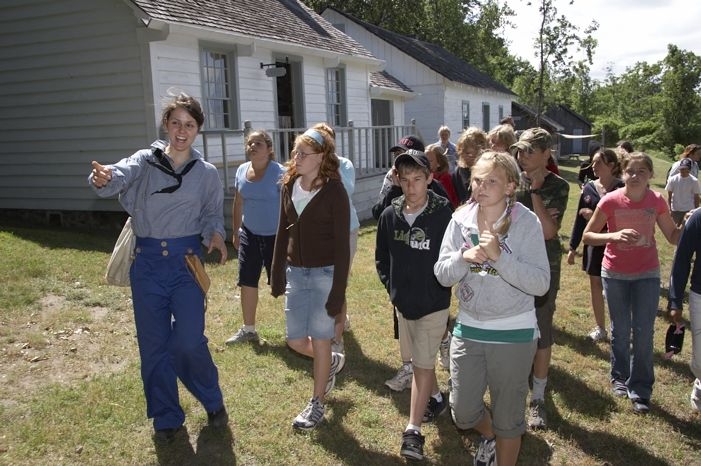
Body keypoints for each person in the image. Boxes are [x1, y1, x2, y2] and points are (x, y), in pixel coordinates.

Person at [88, 92, 229, 443]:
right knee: (153, 347)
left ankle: (211, 397)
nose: (182, 130)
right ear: (166, 124)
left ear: (198, 130)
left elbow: (212, 214)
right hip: (147, 265)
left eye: (190, 125)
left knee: (188, 341)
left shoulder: (207, 173)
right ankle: (166, 417)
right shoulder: (145, 160)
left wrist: (216, 235)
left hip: (186, 264)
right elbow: (118, 176)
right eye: (176, 122)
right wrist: (103, 177)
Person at [435, 151, 550, 466]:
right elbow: (442, 274)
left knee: (508, 419)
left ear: (511, 186)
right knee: (463, 412)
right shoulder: (460, 219)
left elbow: (541, 283)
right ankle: (489, 438)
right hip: (469, 327)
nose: (480, 187)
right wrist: (463, 258)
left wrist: (501, 257)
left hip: (514, 331)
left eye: (491, 181)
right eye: (476, 180)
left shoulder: (525, 222)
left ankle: (501, 450)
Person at [583, 152, 681, 414]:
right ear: (622, 173)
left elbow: (672, 236)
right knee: (620, 329)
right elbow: (588, 236)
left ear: (651, 175)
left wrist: (691, 222)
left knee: (643, 331)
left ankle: (640, 389)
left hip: (647, 274)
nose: (635, 176)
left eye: (641, 171)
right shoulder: (611, 200)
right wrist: (614, 236)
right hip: (614, 274)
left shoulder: (656, 200)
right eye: (630, 171)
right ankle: (619, 378)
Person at [375, 149, 453, 461]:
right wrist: (393, 288)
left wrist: (440, 285)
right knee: (418, 358)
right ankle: (436, 398)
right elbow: (382, 257)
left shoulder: (442, 213)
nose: (411, 187)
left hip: (434, 303)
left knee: (422, 365)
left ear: (430, 178)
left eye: (417, 179)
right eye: (404, 180)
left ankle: (412, 430)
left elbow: (451, 255)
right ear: (397, 180)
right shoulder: (389, 215)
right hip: (403, 304)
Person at [270, 127, 350, 431]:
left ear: (321, 157)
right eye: (295, 152)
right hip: (296, 273)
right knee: (294, 340)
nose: (296, 158)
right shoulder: (288, 185)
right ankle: (329, 361)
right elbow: (282, 231)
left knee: (319, 339)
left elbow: (343, 247)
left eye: (303, 153)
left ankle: (317, 402)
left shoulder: (334, 192)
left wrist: (337, 293)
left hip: (325, 275)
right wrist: (277, 274)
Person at [512, 127, 569, 430]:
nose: (521, 156)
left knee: (541, 328)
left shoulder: (557, 186)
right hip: (511, 264)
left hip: (543, 267)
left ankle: (538, 398)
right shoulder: (511, 178)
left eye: (529, 151)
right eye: (519, 150)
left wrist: (533, 192)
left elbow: (548, 231)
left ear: (546, 153)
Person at [226, 130, 285, 344]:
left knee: (285, 284)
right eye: (250, 143)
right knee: (247, 281)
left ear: (269, 149)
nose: (252, 146)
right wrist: (235, 231)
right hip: (249, 234)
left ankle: (298, 331)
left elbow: (290, 206)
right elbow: (238, 202)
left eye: (257, 143)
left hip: (276, 237)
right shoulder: (242, 170)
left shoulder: (281, 172)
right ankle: (249, 330)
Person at [567, 148, 624, 342]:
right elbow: (579, 221)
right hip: (593, 245)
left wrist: (596, 218)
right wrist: (573, 247)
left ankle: (620, 328)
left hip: (616, 246)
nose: (593, 166)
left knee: (616, 287)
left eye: (598, 162)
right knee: (595, 283)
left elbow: (625, 221)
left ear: (611, 166)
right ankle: (600, 327)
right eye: (593, 162)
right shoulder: (589, 188)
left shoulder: (622, 189)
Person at [312, 122, 358, 355]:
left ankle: (336, 339)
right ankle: (331, 324)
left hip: (345, 231)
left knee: (337, 283)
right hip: (319, 235)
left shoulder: (345, 165)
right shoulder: (310, 165)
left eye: (326, 139)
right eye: (318, 139)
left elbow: (345, 190)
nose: (323, 143)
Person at [667, 208, 701, 413]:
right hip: (700, 294)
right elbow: (681, 260)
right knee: (699, 359)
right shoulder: (698, 217)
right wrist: (675, 301)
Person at [372, 136, 449, 220]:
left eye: (403, 154)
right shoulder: (391, 177)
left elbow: (447, 214)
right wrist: (395, 188)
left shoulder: (433, 185)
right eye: (396, 155)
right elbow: (378, 214)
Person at [452, 127, 488, 206]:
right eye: (462, 151)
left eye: (469, 153)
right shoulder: (458, 171)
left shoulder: (490, 170)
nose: (464, 156)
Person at [665, 157, 700, 226]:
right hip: (675, 209)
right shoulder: (672, 179)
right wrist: (670, 208)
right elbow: (669, 195)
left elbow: (696, 197)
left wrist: (695, 211)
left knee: (686, 228)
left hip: (689, 209)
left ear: (689, 170)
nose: (683, 171)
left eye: (685, 169)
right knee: (675, 229)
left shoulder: (694, 181)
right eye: (681, 169)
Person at [426, 143, 458, 208]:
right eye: (424, 159)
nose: (425, 163)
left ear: (439, 163)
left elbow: (450, 203)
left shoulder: (445, 178)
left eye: (430, 161)